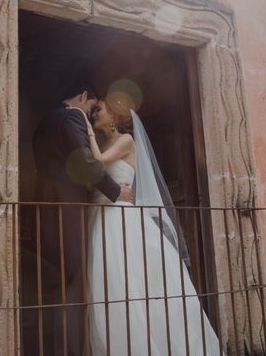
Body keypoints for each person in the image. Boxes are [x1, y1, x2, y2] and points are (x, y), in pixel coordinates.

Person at [71, 97, 222, 356]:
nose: (95, 113)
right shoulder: (104, 140)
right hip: (98, 217)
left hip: (119, 219)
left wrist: (82, 122)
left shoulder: (125, 141)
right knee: (105, 286)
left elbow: (96, 160)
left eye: (99, 109)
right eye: (93, 110)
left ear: (115, 115)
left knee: (130, 284)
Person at [32, 83, 133, 356]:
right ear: (83, 96)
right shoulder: (72, 116)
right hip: (70, 210)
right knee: (76, 284)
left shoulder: (45, 122)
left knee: (59, 284)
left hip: (49, 209)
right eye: (92, 107)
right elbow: (84, 162)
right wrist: (115, 191)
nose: (91, 115)